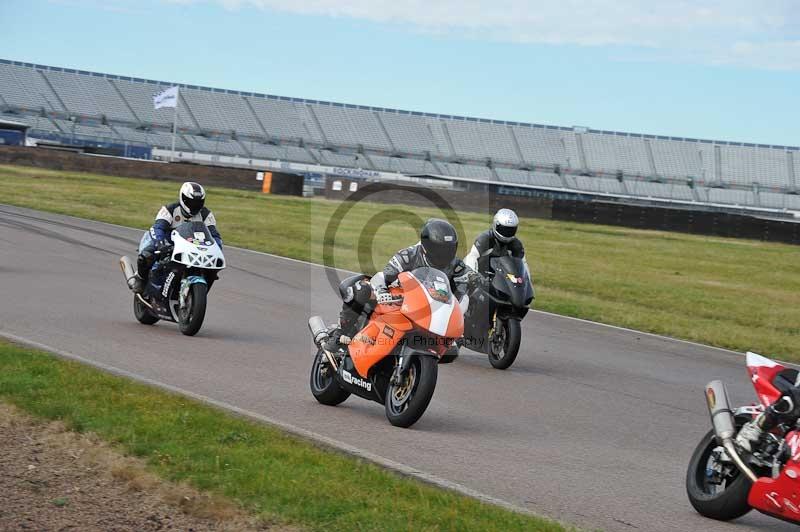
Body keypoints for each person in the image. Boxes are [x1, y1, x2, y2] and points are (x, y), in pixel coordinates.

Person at [324, 218, 479, 350]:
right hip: (397, 297)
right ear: (426, 246)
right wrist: (381, 292)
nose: (444, 254)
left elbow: (468, 283)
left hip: (426, 307)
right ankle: (340, 332)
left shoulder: (456, 265)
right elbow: (381, 277)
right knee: (361, 289)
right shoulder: (408, 255)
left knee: (465, 297)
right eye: (439, 249)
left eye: (448, 249)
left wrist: (477, 280)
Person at [130, 182, 223, 293]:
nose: (195, 206)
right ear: (183, 199)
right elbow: (158, 228)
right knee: (147, 255)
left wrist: (217, 247)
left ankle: (196, 290)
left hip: (194, 246)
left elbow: (214, 234)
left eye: (198, 203)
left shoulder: (206, 214)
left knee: (213, 266)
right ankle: (140, 279)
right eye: (191, 202)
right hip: (169, 244)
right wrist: (161, 243)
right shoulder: (170, 210)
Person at [463, 208, 530, 280]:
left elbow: (523, 265)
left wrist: (526, 282)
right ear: (495, 224)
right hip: (480, 277)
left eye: (510, 230)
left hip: (503, 281)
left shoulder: (516, 244)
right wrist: (473, 275)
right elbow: (472, 256)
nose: (507, 233)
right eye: (504, 229)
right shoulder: (485, 238)